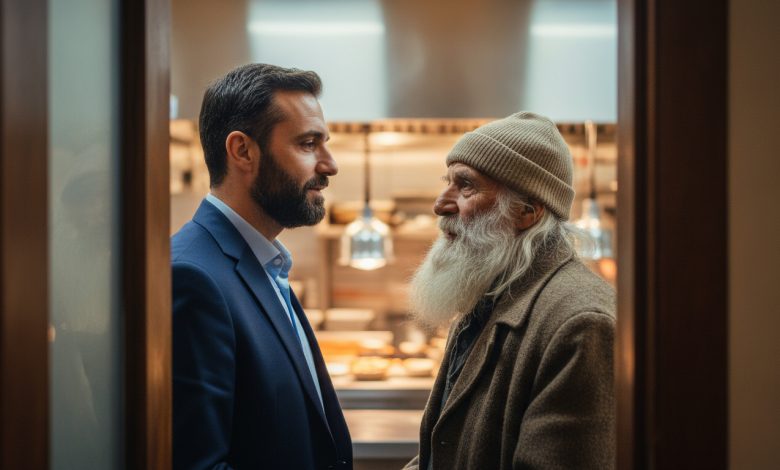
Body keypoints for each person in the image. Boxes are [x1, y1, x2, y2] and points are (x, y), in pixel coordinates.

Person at [404, 112, 616, 470]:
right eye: (449, 182)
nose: (441, 204)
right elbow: (445, 453)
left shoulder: (583, 324)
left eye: (466, 186)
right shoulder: (489, 298)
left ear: (526, 212)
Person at [171, 64, 351, 470]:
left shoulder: (263, 263)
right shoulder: (192, 277)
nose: (330, 165)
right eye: (308, 144)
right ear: (243, 151)